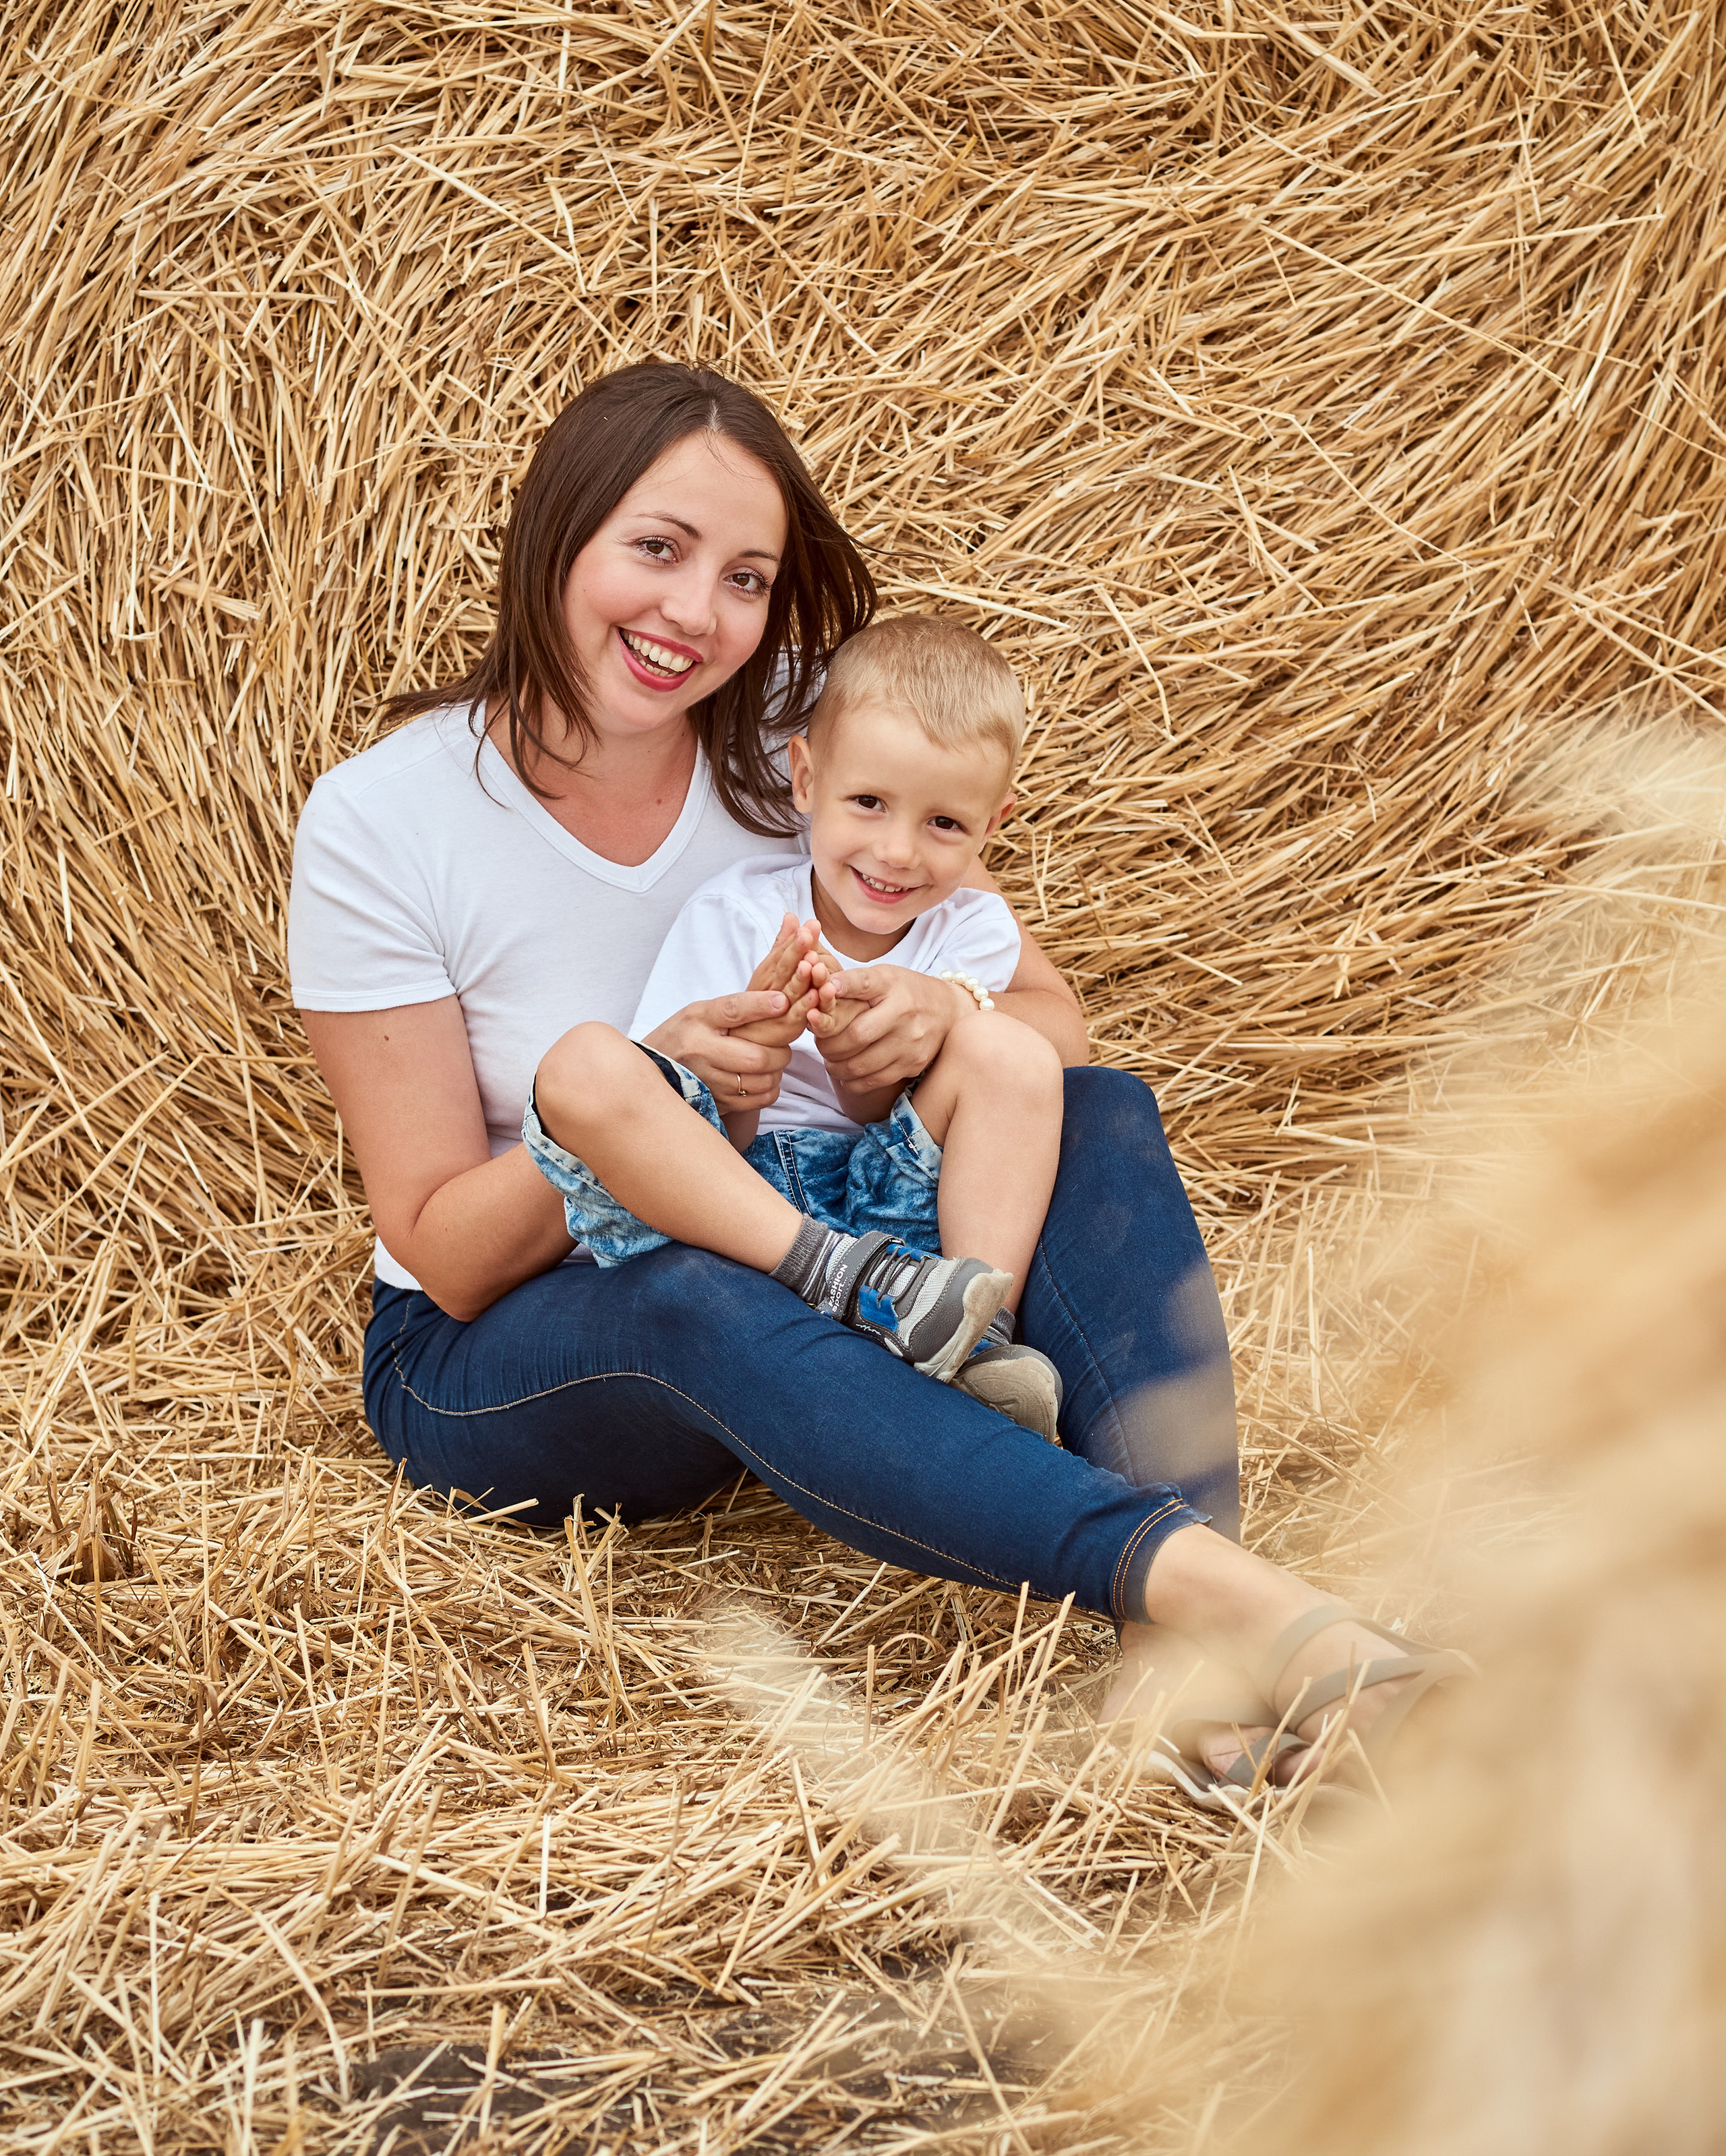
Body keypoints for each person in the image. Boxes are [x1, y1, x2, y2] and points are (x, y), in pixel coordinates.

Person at [288, 359, 1460, 1801]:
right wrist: (654, 1101)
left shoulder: (798, 737)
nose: (690, 616)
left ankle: (1194, 1693)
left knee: (1099, 1111)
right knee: (687, 1288)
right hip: (515, 1353)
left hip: (831, 1254)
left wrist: (928, 1012)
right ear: (558, 533)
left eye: (744, 578)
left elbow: (1047, 1028)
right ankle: (1244, 1609)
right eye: (653, 549)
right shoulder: (385, 821)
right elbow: (443, 1254)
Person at [521, 613, 1068, 1439]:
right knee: (586, 1067)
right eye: (869, 803)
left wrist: (908, 1044)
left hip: (894, 1201)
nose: (897, 852)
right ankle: (853, 1283)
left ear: (993, 826)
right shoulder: (737, 913)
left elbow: (939, 1100)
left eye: (944, 824)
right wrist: (752, 1067)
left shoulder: (973, 931)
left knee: (1011, 1048)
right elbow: (689, 1126)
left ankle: (971, 1333)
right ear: (804, 780)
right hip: (743, 1215)